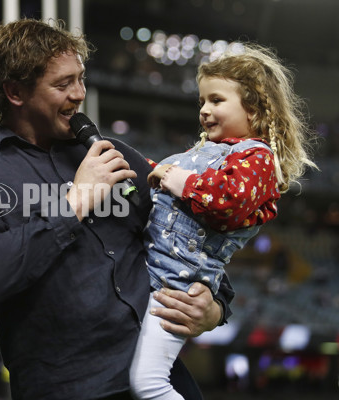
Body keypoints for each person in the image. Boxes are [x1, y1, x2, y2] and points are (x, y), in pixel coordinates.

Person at [0, 19, 234, 399]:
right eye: (62, 84)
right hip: (68, 388)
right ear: (15, 92)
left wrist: (216, 307)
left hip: (161, 381)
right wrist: (73, 203)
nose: (79, 94)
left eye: (81, 79)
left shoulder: (114, 154)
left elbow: (187, 240)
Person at [129, 43, 318, 399]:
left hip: (175, 288)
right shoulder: (201, 152)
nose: (204, 110)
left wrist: (173, 177)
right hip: (146, 271)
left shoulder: (258, 158)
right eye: (202, 101)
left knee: (148, 383)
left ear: (255, 107)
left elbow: (227, 202)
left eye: (216, 100)